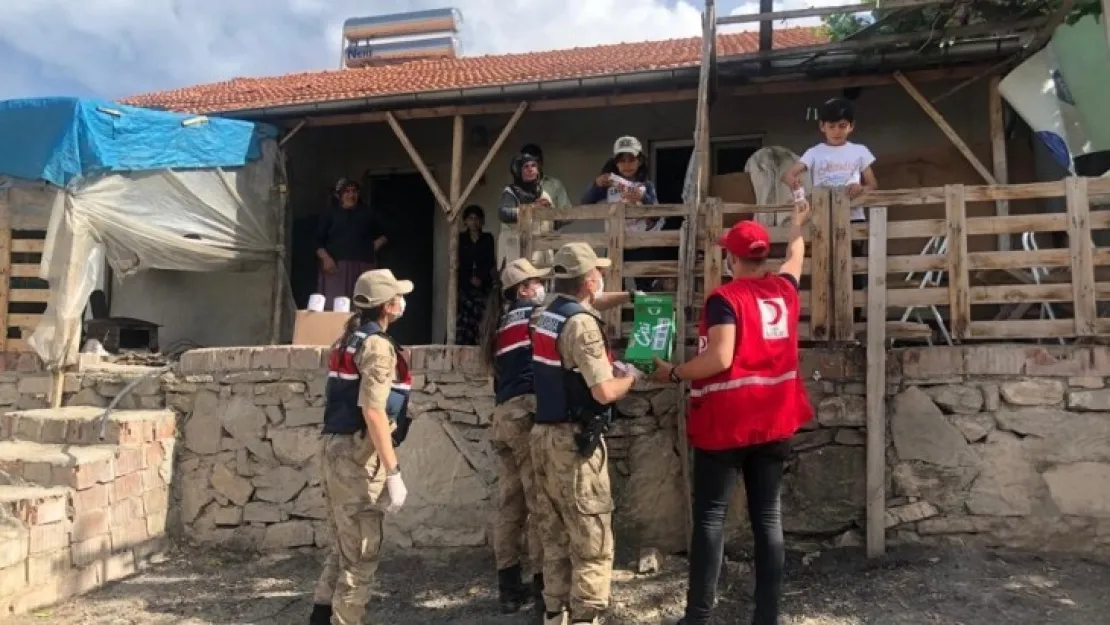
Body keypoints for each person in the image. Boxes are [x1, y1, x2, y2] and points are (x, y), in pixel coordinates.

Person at [649, 202, 815, 625]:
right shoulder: (785, 289)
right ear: (762, 257)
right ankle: (767, 616)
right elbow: (796, 257)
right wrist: (798, 225)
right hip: (775, 421)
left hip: (728, 422)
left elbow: (720, 359)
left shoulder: (725, 299)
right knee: (768, 519)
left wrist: (674, 373)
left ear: (731, 258)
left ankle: (699, 615)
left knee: (710, 518)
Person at [529, 242, 638, 625]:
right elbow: (604, 391)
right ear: (590, 280)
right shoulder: (581, 325)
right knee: (592, 540)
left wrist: (632, 296)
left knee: (555, 536)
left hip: (543, 437)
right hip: (573, 442)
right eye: (599, 274)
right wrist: (630, 378)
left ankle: (554, 612)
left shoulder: (547, 314)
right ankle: (586, 616)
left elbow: (587, 305)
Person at [309, 269, 414, 625]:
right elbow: (373, 411)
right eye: (398, 296)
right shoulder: (377, 346)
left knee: (343, 548)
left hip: (333, 449)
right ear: (386, 305)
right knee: (361, 556)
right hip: (356, 458)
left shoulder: (348, 339)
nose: (403, 301)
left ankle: (320, 616)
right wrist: (393, 470)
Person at [478, 258, 553, 615]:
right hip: (526, 413)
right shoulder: (533, 317)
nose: (542, 287)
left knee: (510, 504)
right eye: (537, 282)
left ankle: (508, 589)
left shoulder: (498, 323)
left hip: (503, 415)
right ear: (524, 289)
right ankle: (542, 589)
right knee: (539, 502)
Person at [781, 96, 877, 293]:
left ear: (851, 126)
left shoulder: (860, 151)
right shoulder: (815, 152)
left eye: (842, 126)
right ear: (822, 126)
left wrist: (861, 188)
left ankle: (855, 318)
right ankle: (826, 319)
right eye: (832, 126)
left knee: (854, 270)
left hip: (854, 219)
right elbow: (788, 174)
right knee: (826, 267)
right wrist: (794, 183)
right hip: (824, 219)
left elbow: (873, 184)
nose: (837, 131)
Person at [314, 178, 389, 306]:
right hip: (336, 267)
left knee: (361, 304)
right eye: (347, 192)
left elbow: (386, 232)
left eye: (354, 191)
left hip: (363, 266)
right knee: (337, 305)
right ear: (339, 195)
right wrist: (326, 259)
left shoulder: (368, 213)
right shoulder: (331, 214)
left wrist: (373, 247)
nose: (351, 195)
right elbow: (317, 240)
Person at [499, 153, 554, 267]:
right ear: (518, 171)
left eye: (533, 165)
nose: (530, 169)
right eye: (526, 166)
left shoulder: (544, 195)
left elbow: (556, 223)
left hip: (541, 256)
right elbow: (503, 213)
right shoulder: (510, 192)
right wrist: (531, 209)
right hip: (516, 253)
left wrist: (550, 211)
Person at [456, 205, 496, 345]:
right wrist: (469, 278)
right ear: (465, 221)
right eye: (470, 218)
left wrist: (480, 277)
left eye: (477, 218)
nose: (474, 222)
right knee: (463, 320)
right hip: (465, 285)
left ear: (482, 221)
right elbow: (457, 262)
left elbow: (489, 261)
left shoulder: (487, 238)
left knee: (481, 318)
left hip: (483, 285)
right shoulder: (460, 239)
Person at [521, 143, 572, 209]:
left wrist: (550, 210)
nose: (530, 169)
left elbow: (568, 215)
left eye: (534, 163)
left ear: (541, 163)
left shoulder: (555, 185)